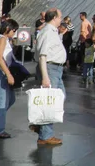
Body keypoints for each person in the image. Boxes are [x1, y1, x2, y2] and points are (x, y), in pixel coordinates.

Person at [30, 8, 67, 145]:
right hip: (51, 69)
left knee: (58, 98)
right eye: (60, 17)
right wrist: (45, 77)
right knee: (50, 102)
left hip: (55, 69)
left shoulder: (51, 31)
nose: (61, 19)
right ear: (54, 18)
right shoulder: (48, 32)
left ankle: (40, 126)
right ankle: (45, 135)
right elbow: (42, 55)